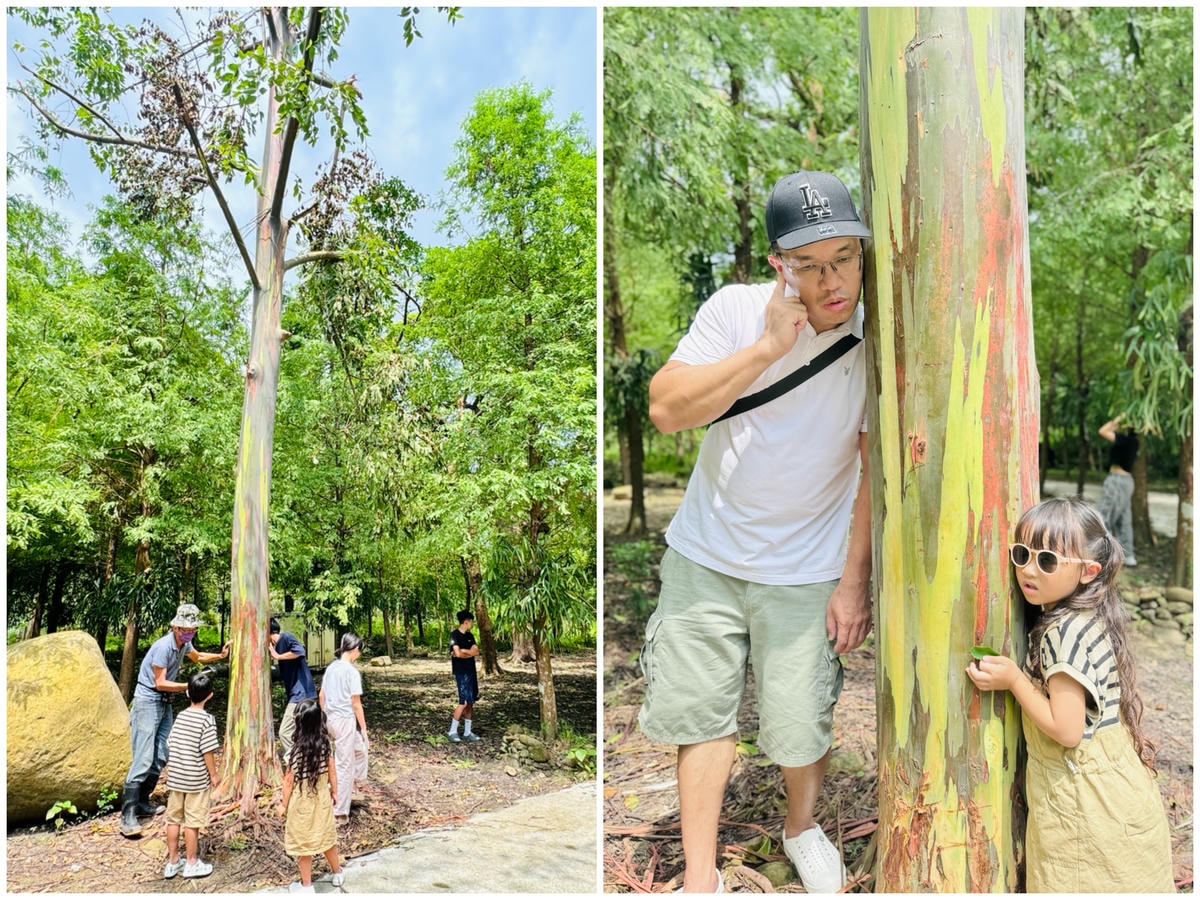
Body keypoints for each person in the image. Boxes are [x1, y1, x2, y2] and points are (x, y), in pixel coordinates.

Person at [640, 170, 873, 893]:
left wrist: (853, 580)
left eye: (844, 258)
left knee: (801, 721)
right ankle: (702, 875)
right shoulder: (738, 310)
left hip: (807, 565)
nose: (831, 281)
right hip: (706, 554)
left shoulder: (883, 338)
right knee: (701, 716)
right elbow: (666, 408)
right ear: (780, 265)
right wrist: (768, 349)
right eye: (809, 264)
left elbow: (875, 470)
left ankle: (801, 828)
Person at [966, 497, 1173, 891]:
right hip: (1111, 796)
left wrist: (1013, 679)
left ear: (1088, 572)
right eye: (1022, 553)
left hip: (1087, 806)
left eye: (1047, 561)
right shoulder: (1085, 616)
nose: (1027, 569)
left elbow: (1067, 730)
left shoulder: (1063, 634)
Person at [121, 603, 230, 838]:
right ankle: (127, 815)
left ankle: (142, 801)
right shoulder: (162, 647)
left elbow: (197, 656)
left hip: (164, 701)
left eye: (192, 630)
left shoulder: (185, 643)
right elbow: (159, 682)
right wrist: (188, 687)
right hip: (148, 700)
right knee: (143, 756)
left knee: (162, 752)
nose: (188, 634)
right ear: (175, 627)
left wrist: (220, 655)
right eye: (184, 630)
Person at [277, 698, 346, 893]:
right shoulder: (325, 744)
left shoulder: (295, 752)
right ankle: (337, 873)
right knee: (326, 838)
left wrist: (283, 804)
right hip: (322, 797)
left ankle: (306, 886)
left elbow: (289, 781)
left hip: (302, 803)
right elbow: (332, 770)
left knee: (303, 845)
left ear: (299, 723)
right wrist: (334, 792)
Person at [162, 672, 220, 879]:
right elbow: (208, 751)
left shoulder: (180, 716)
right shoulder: (207, 720)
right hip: (196, 780)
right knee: (192, 822)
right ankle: (192, 863)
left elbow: (170, 743)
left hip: (176, 778)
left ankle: (173, 862)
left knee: (173, 819)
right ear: (210, 695)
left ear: (187, 692)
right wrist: (213, 775)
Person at [319, 633, 368, 825]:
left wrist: (323, 718)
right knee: (344, 766)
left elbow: (321, 695)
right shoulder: (351, 672)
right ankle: (339, 812)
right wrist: (363, 729)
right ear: (355, 649)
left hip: (330, 718)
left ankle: (353, 786)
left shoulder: (331, 668)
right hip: (345, 720)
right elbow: (356, 703)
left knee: (360, 750)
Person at [270, 618, 319, 761]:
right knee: (305, 732)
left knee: (284, 732)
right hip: (302, 694)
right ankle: (311, 762)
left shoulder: (286, 637)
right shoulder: (277, 645)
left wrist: (278, 656)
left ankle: (297, 762)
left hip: (300, 695)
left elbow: (300, 651)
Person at [1098, 414, 1139, 566]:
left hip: (1117, 480)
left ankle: (1100, 553)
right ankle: (1128, 556)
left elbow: (1102, 431)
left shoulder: (1126, 440)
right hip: (1126, 481)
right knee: (1124, 519)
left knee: (1104, 515)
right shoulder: (1131, 441)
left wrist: (1120, 416)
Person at [448, 610, 481, 743]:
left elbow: (476, 652)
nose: (472, 624)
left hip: (471, 671)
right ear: (466, 622)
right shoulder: (454, 635)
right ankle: (452, 731)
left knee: (471, 702)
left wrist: (464, 651)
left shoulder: (470, 636)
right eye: (471, 622)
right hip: (461, 672)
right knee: (464, 701)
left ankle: (467, 732)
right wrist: (467, 652)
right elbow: (457, 653)